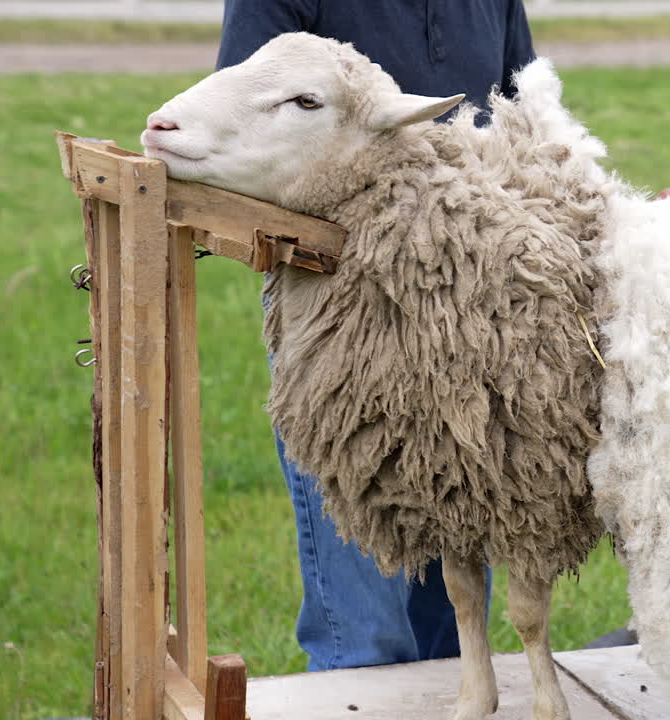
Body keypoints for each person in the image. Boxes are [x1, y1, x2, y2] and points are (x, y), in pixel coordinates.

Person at [215, 0, 536, 671]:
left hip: (462, 318)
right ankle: (356, 696)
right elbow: (242, 128)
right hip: (343, 327)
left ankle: (452, 693)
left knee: (456, 598)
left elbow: (523, 114)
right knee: (366, 615)